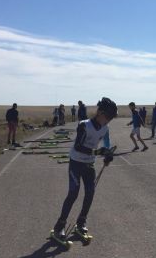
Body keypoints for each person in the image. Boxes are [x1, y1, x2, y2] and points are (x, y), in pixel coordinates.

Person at [50, 97, 118, 244]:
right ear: (100, 113)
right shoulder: (84, 125)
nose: (109, 121)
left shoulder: (105, 128)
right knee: (73, 193)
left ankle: (81, 223)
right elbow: (78, 146)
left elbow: (106, 144)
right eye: (108, 117)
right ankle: (59, 226)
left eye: (111, 118)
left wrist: (108, 155)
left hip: (89, 165)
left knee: (90, 193)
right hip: (76, 163)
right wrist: (97, 152)